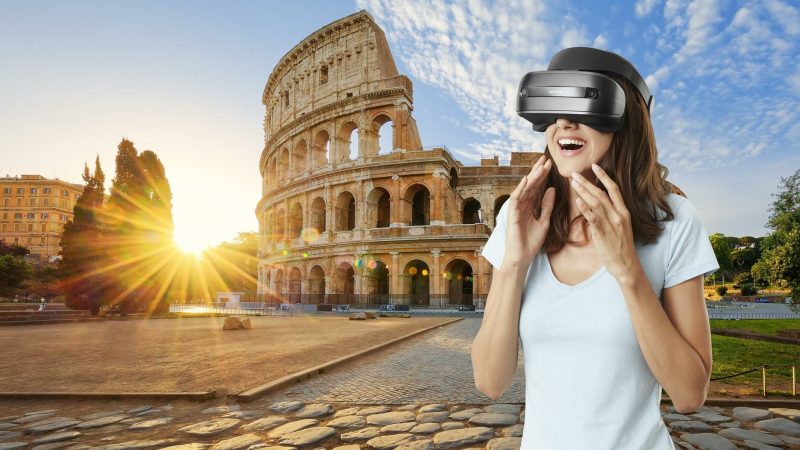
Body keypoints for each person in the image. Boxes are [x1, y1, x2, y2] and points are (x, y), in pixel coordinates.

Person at [471, 48, 720, 450]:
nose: (565, 122)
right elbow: (490, 381)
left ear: (625, 119)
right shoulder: (519, 218)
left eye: (583, 104)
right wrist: (515, 263)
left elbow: (690, 393)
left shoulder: (674, 219)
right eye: (554, 108)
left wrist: (628, 271)